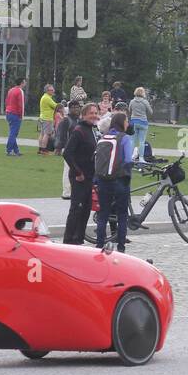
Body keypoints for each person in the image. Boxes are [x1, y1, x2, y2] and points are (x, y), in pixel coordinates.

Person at [94, 112, 133, 252]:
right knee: (122, 215)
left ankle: (99, 245)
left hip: (103, 180)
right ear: (122, 123)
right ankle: (121, 247)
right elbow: (128, 159)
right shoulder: (125, 138)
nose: (128, 123)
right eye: (126, 121)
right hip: (120, 180)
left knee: (103, 214)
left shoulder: (103, 137)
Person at [62, 103, 101, 244]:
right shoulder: (79, 130)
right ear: (83, 115)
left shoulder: (92, 130)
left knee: (85, 209)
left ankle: (79, 239)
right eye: (91, 113)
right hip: (79, 177)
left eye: (96, 113)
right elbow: (67, 153)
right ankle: (68, 240)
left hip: (90, 176)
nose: (94, 115)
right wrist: (77, 171)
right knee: (76, 209)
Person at [55, 101, 81, 198]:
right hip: (68, 149)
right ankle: (66, 192)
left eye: (77, 107)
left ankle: (74, 190)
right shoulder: (66, 120)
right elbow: (61, 134)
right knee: (68, 170)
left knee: (76, 170)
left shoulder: (78, 120)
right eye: (73, 107)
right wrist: (58, 147)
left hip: (77, 149)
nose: (76, 109)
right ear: (69, 109)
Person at [4, 77, 27, 156]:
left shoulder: (11, 90)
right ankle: (9, 150)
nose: (25, 83)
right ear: (21, 83)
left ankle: (16, 150)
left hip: (8, 112)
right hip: (15, 114)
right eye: (24, 82)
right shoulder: (20, 91)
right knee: (13, 133)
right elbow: (21, 105)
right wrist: (21, 116)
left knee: (12, 132)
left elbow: (6, 101)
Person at [129, 87, 152, 159]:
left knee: (132, 140)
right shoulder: (145, 102)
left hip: (134, 122)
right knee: (142, 141)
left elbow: (129, 110)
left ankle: (129, 157)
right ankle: (141, 157)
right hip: (143, 122)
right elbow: (150, 112)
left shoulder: (132, 101)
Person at [37, 84, 57, 155]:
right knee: (47, 134)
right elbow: (55, 106)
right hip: (47, 118)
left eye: (53, 89)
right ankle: (44, 150)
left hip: (42, 117)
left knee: (42, 134)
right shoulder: (47, 98)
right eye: (51, 90)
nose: (53, 91)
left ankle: (40, 148)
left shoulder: (44, 97)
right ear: (47, 91)